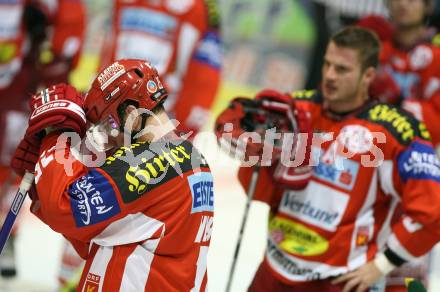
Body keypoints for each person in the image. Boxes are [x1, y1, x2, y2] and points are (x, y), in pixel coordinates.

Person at [215, 26, 440, 292]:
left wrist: (381, 265)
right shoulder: (294, 110)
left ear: (368, 75)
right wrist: (256, 153)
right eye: (327, 65)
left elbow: (432, 211)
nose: (330, 76)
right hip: (275, 268)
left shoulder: (396, 132)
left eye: (342, 69)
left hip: (339, 280)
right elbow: (260, 193)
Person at [11, 59, 214, 291]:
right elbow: (91, 229)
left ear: (131, 114)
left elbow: (66, 207)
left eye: (108, 125)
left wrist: (56, 136)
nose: (108, 139)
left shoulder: (154, 160)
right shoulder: (189, 157)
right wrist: (42, 187)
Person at [0, 0, 85, 278]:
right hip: (13, 81)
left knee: (13, 166)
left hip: (20, 81)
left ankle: (8, 234)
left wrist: (52, 62)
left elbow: (69, 35)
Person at [99, 0, 222, 135]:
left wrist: (183, 128)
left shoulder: (197, 8)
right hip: (112, 106)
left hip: (157, 116)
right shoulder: (123, 3)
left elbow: (205, 74)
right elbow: (109, 47)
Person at [365, 0, 440, 150]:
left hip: (413, 153)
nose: (403, 4)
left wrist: (399, 102)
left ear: (428, 6)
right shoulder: (374, 45)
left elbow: (436, 126)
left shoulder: (436, 57)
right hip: (365, 143)